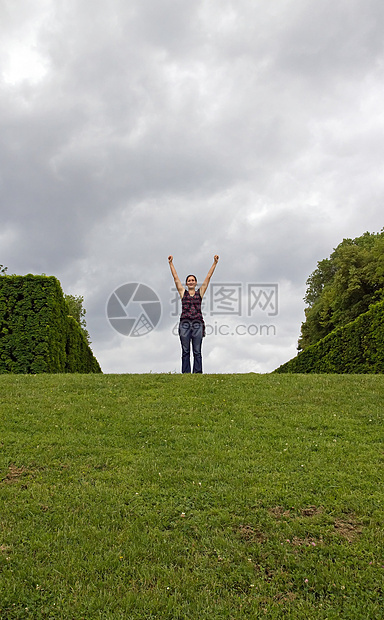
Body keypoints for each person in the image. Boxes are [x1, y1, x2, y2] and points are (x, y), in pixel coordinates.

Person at [168, 255, 219, 373]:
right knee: (185, 350)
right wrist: (171, 263)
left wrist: (214, 263)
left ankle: (197, 373)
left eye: (193, 280)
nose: (191, 282)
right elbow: (175, 278)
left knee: (197, 351)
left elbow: (208, 277)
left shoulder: (199, 293)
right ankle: (186, 373)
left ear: (196, 283)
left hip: (197, 323)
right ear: (186, 283)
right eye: (189, 280)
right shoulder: (183, 293)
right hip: (184, 324)